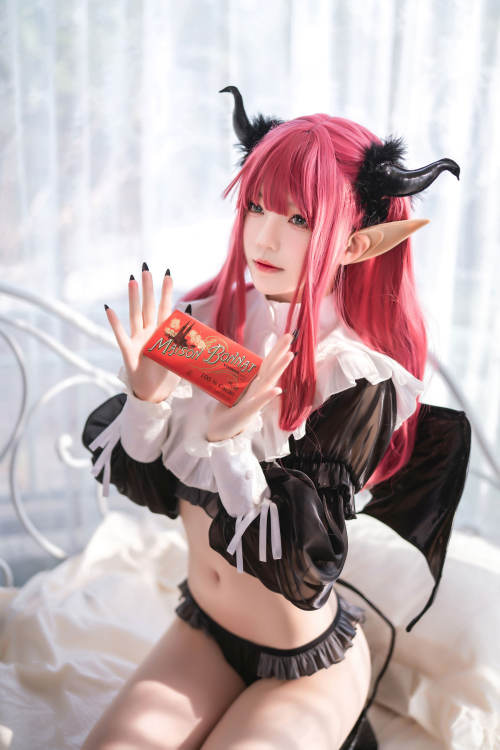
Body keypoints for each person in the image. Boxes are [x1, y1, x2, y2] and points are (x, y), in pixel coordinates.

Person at [80, 86, 471, 749]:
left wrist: (230, 440)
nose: (264, 234)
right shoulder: (210, 319)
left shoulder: (355, 376)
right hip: (203, 631)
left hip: (308, 666)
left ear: (356, 243)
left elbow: (298, 561)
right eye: (257, 205)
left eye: (299, 218)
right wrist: (147, 397)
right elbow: (144, 478)